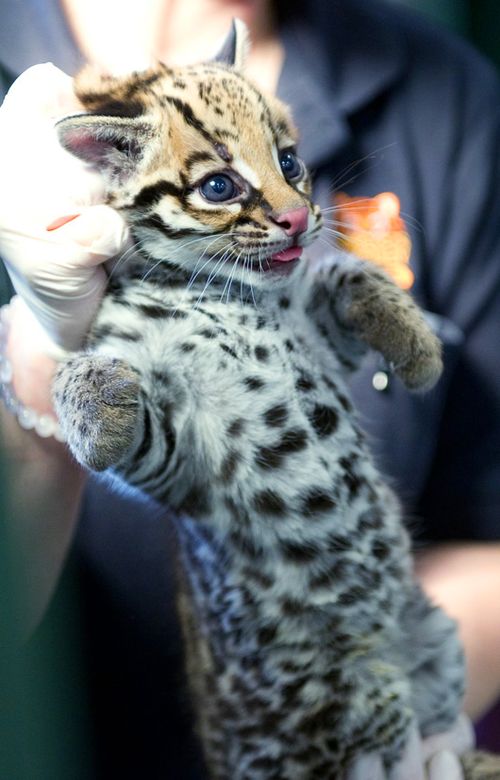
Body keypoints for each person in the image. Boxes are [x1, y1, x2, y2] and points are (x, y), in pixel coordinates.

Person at [1, 0, 499, 777]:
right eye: (222, 185)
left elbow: (487, 535)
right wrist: (43, 362)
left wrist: (398, 706)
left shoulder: (447, 96)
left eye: (290, 170)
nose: (295, 215)